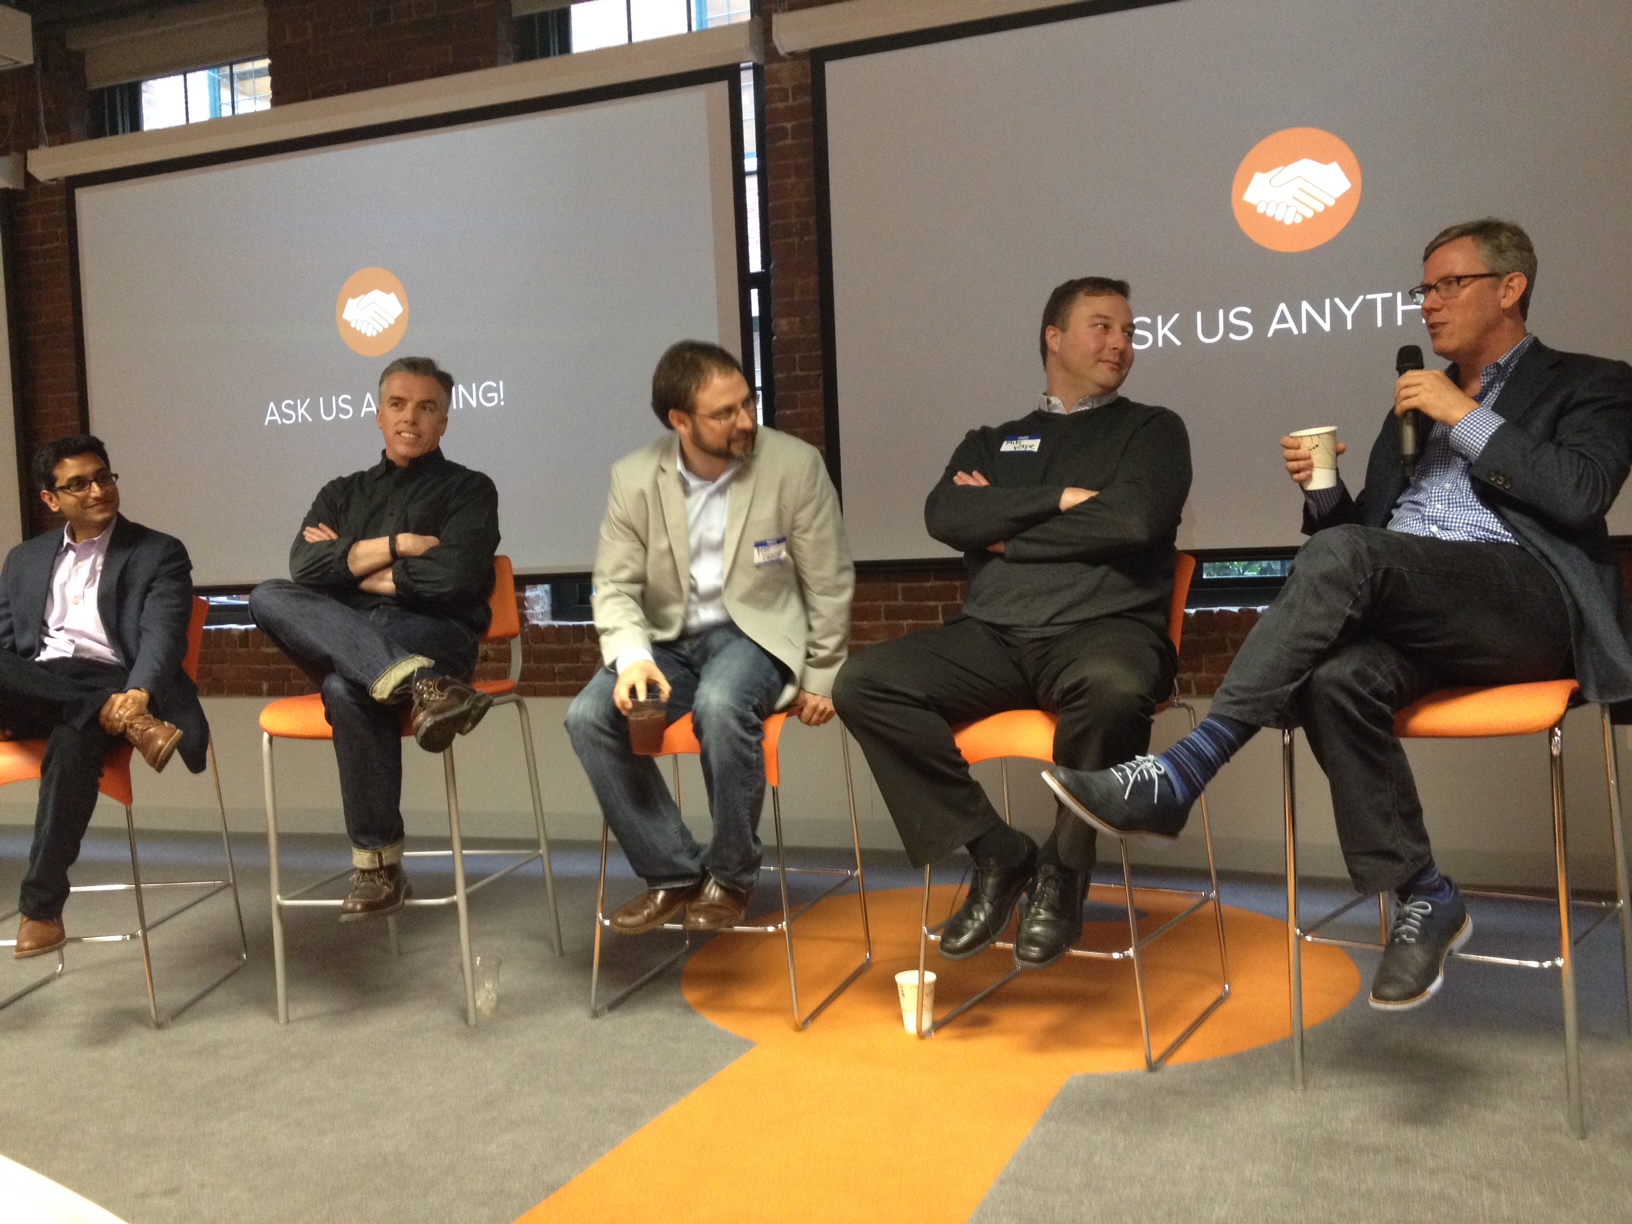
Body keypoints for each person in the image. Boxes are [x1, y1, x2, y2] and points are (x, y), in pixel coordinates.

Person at [1045, 219, 1632, 1010]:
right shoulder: (1409, 415)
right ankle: (1423, 892)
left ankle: (1182, 771)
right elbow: (1362, 542)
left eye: (1448, 285)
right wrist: (1324, 493)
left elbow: (1580, 493)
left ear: (1510, 288)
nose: (1429, 303)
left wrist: (1464, 415)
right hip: (1421, 611)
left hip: (1526, 605)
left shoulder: (1590, 382)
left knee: (1349, 558)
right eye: (1423, 288)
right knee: (1335, 679)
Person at [832, 277, 1192, 969]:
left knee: (1116, 687)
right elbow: (947, 515)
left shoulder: (1153, 430)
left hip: (1106, 630)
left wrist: (1005, 532)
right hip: (993, 636)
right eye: (1102, 326)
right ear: (1054, 338)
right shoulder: (993, 441)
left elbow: (1133, 520)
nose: (1120, 342)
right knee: (864, 683)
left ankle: (1065, 871)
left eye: (1128, 331)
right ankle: (998, 853)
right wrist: (1063, 498)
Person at [566, 340, 853, 933]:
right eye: (724, 413)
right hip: (665, 642)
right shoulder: (634, 477)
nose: (745, 420)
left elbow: (827, 579)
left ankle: (731, 875)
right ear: (680, 420)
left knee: (721, 706)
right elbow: (614, 585)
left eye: (747, 403)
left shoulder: (794, 464)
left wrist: (824, 673)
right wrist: (632, 657)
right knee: (588, 717)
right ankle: (673, 873)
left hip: (754, 635)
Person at [249, 357, 499, 921]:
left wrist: (351, 567)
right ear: (379, 415)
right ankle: (421, 686)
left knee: (345, 687)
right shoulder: (341, 493)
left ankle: (377, 867)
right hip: (360, 639)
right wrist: (402, 545)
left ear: (443, 423)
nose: (411, 418)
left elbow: (452, 580)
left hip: (434, 634)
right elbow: (304, 568)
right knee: (268, 595)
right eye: (398, 404)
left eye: (426, 408)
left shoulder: (470, 490)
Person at [3, 435, 208, 958]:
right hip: (40, 687)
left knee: (74, 742)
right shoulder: (24, 559)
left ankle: (41, 910)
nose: (97, 491)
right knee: (70, 704)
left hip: (114, 683)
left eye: (103, 477)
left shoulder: (158, 551)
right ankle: (110, 717)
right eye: (78, 484)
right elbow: (7, 646)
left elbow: (164, 636)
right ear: (51, 499)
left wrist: (136, 696)